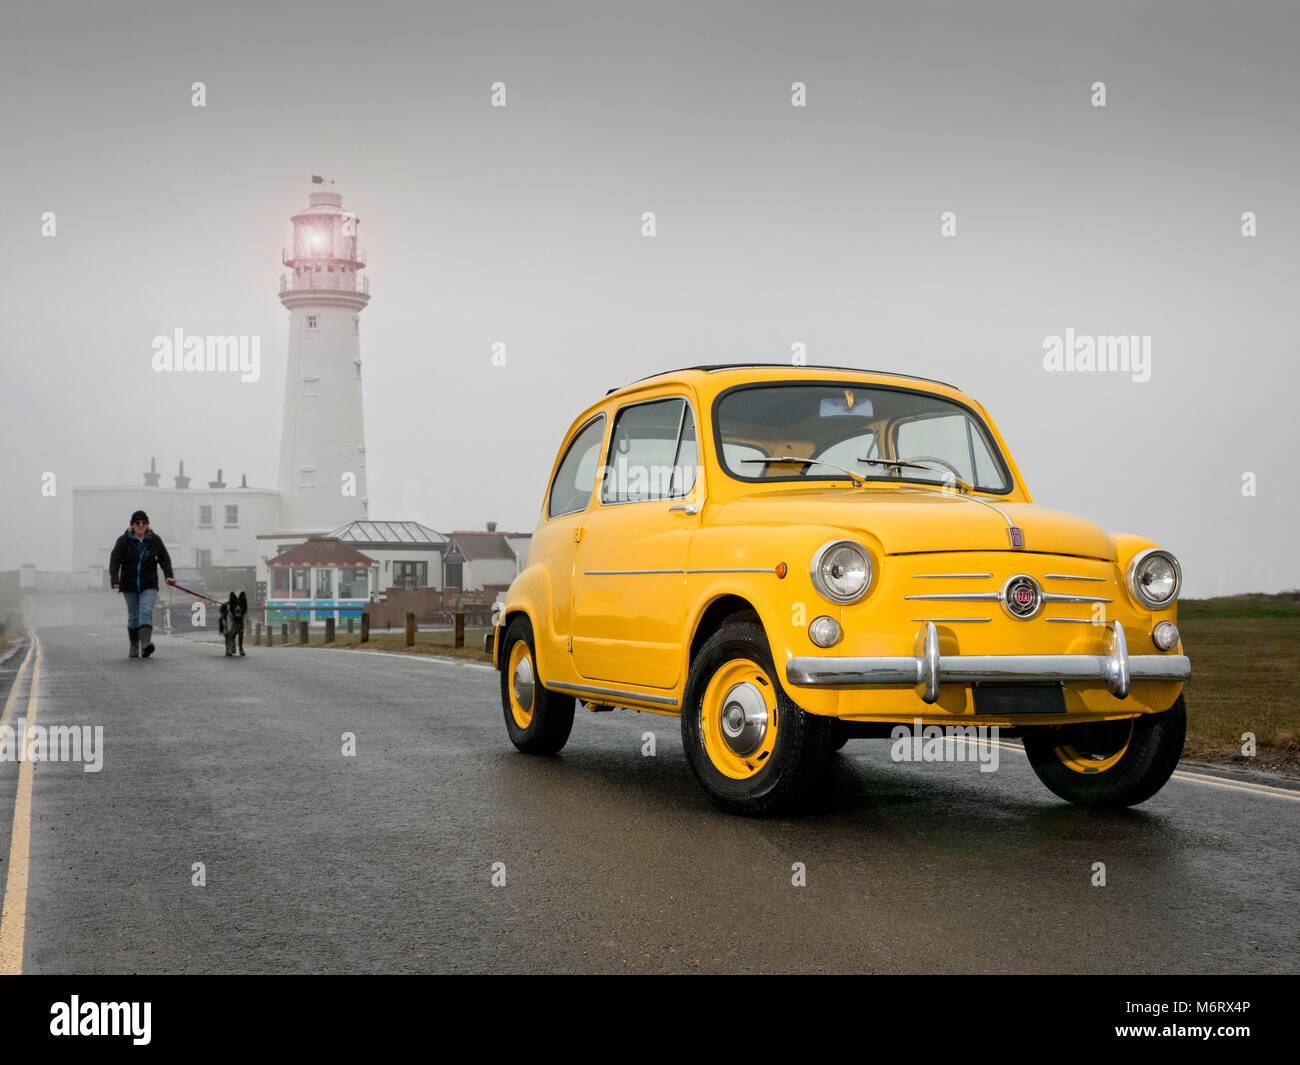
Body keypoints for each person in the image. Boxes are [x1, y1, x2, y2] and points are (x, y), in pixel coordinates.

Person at [108, 510, 176, 658]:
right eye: (137, 523)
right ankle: (134, 646)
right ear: (132, 525)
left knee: (145, 610)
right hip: (129, 584)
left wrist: (168, 576)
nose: (140, 525)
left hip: (149, 584)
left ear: (147, 525)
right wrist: (115, 579)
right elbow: (115, 561)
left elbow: (164, 559)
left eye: (143, 523)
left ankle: (145, 644)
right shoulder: (123, 541)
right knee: (133, 615)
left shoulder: (154, 540)